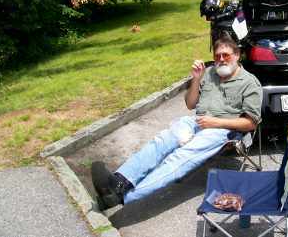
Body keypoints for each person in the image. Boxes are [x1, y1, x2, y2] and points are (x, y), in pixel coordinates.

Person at [91, 37, 263, 210]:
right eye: (217, 56)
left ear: (237, 55)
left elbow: (250, 124)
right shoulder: (210, 73)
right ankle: (118, 182)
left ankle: (122, 198)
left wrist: (215, 122)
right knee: (161, 141)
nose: (221, 60)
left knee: (179, 158)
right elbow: (190, 104)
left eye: (226, 55)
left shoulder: (249, 82)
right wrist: (196, 79)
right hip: (195, 122)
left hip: (222, 130)